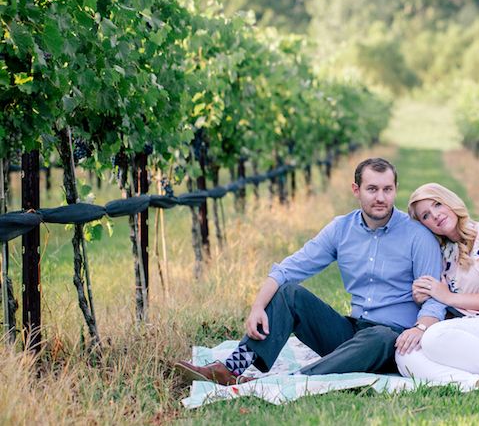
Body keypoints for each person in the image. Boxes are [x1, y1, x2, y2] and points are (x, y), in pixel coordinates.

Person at [176, 158, 446, 385]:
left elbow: (435, 299)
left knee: (380, 336)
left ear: (395, 189)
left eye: (387, 189)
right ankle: (231, 370)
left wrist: (420, 328)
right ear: (356, 190)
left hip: (392, 340)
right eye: (372, 189)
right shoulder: (341, 229)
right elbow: (288, 270)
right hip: (351, 333)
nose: (380, 198)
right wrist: (258, 306)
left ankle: (287, 382)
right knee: (289, 293)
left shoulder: (417, 236)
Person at [395, 182, 479, 387]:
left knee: (434, 337)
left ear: (450, 201)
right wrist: (425, 296)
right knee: (405, 355)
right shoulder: (442, 253)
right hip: (464, 337)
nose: (435, 215)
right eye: (425, 216)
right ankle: (474, 382)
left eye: (437, 204)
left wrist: (447, 296)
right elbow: (444, 305)